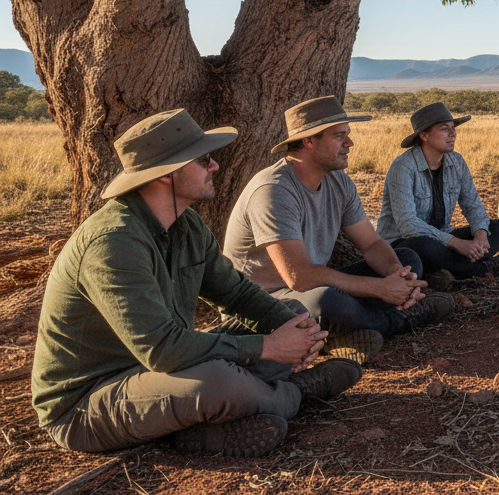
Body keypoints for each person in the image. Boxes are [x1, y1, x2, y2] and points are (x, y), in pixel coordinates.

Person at [32, 109, 362, 457]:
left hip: (161, 370)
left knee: (290, 311)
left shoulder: (186, 225)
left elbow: (234, 291)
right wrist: (271, 348)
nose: (215, 166)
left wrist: (293, 330)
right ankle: (297, 394)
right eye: (203, 160)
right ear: (166, 175)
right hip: (89, 403)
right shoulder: (114, 244)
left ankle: (204, 427)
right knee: (219, 380)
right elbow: (162, 349)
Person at [225, 96, 453, 364]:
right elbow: (298, 277)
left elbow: (370, 243)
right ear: (309, 141)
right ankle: (399, 320)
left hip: (310, 285)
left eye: (348, 135)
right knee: (326, 302)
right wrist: (380, 290)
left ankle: (342, 335)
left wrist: (395, 277)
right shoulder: (273, 191)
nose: (349, 143)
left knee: (407, 259)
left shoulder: (338, 181)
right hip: (263, 301)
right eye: (340, 136)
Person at [378, 102, 499, 287]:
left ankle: (446, 273)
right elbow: (407, 224)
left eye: (453, 128)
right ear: (424, 135)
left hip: (443, 238)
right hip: (403, 242)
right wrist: (456, 243)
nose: (453, 134)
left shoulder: (457, 161)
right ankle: (483, 269)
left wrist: (480, 235)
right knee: (424, 247)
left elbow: (473, 205)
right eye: (444, 129)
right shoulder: (403, 167)